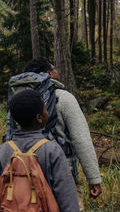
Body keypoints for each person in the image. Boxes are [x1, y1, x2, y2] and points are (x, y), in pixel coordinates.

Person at [24, 57, 102, 210]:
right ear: (49, 74)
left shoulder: (22, 99)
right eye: (55, 68)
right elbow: (81, 139)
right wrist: (93, 178)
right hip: (62, 174)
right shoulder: (64, 98)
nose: (57, 70)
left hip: (27, 173)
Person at [0, 89, 80, 212]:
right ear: (39, 117)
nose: (47, 110)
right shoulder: (52, 150)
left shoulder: (5, 149)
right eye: (44, 108)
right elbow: (66, 195)